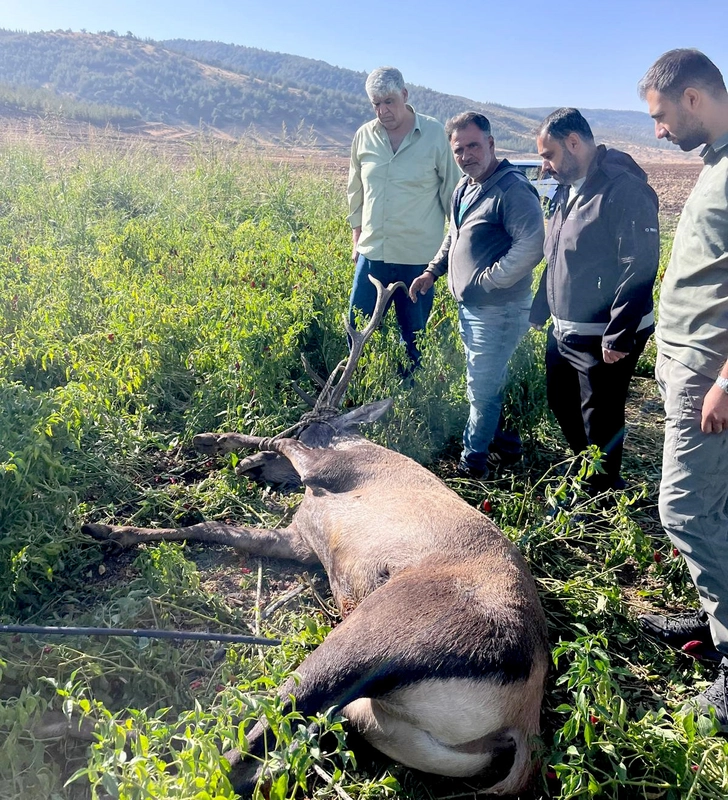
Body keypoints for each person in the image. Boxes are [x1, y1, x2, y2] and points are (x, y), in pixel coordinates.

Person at [636, 49, 728, 724]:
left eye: (662, 116)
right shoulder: (716, 164)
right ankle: (712, 611)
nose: (659, 131)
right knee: (715, 508)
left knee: (685, 511)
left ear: (693, 97)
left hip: (712, 373)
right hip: (693, 364)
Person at [529, 108, 660, 493]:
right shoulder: (567, 191)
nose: (545, 165)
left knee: (600, 417)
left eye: (548, 154)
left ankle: (603, 490)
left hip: (605, 333)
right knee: (560, 400)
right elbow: (557, 256)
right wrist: (541, 310)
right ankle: (589, 467)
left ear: (573, 143)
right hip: (565, 328)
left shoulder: (623, 189)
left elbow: (639, 263)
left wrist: (619, 334)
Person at [409, 112, 545, 479]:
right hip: (475, 309)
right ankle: (506, 445)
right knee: (490, 381)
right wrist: (432, 271)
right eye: (459, 149)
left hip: (499, 310)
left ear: (490, 144)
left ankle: (473, 464)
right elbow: (454, 236)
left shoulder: (513, 189)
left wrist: (486, 281)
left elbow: (532, 246)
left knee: (481, 388)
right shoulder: (465, 187)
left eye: (473, 145)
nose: (466, 155)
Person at [347, 67, 459, 372]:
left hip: (418, 260)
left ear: (405, 96)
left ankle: (409, 404)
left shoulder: (435, 134)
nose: (383, 111)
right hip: (372, 255)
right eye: (376, 104)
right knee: (356, 330)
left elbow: (454, 194)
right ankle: (361, 397)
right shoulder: (364, 137)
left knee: (414, 341)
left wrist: (457, 248)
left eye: (389, 101)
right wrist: (356, 237)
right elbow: (355, 191)